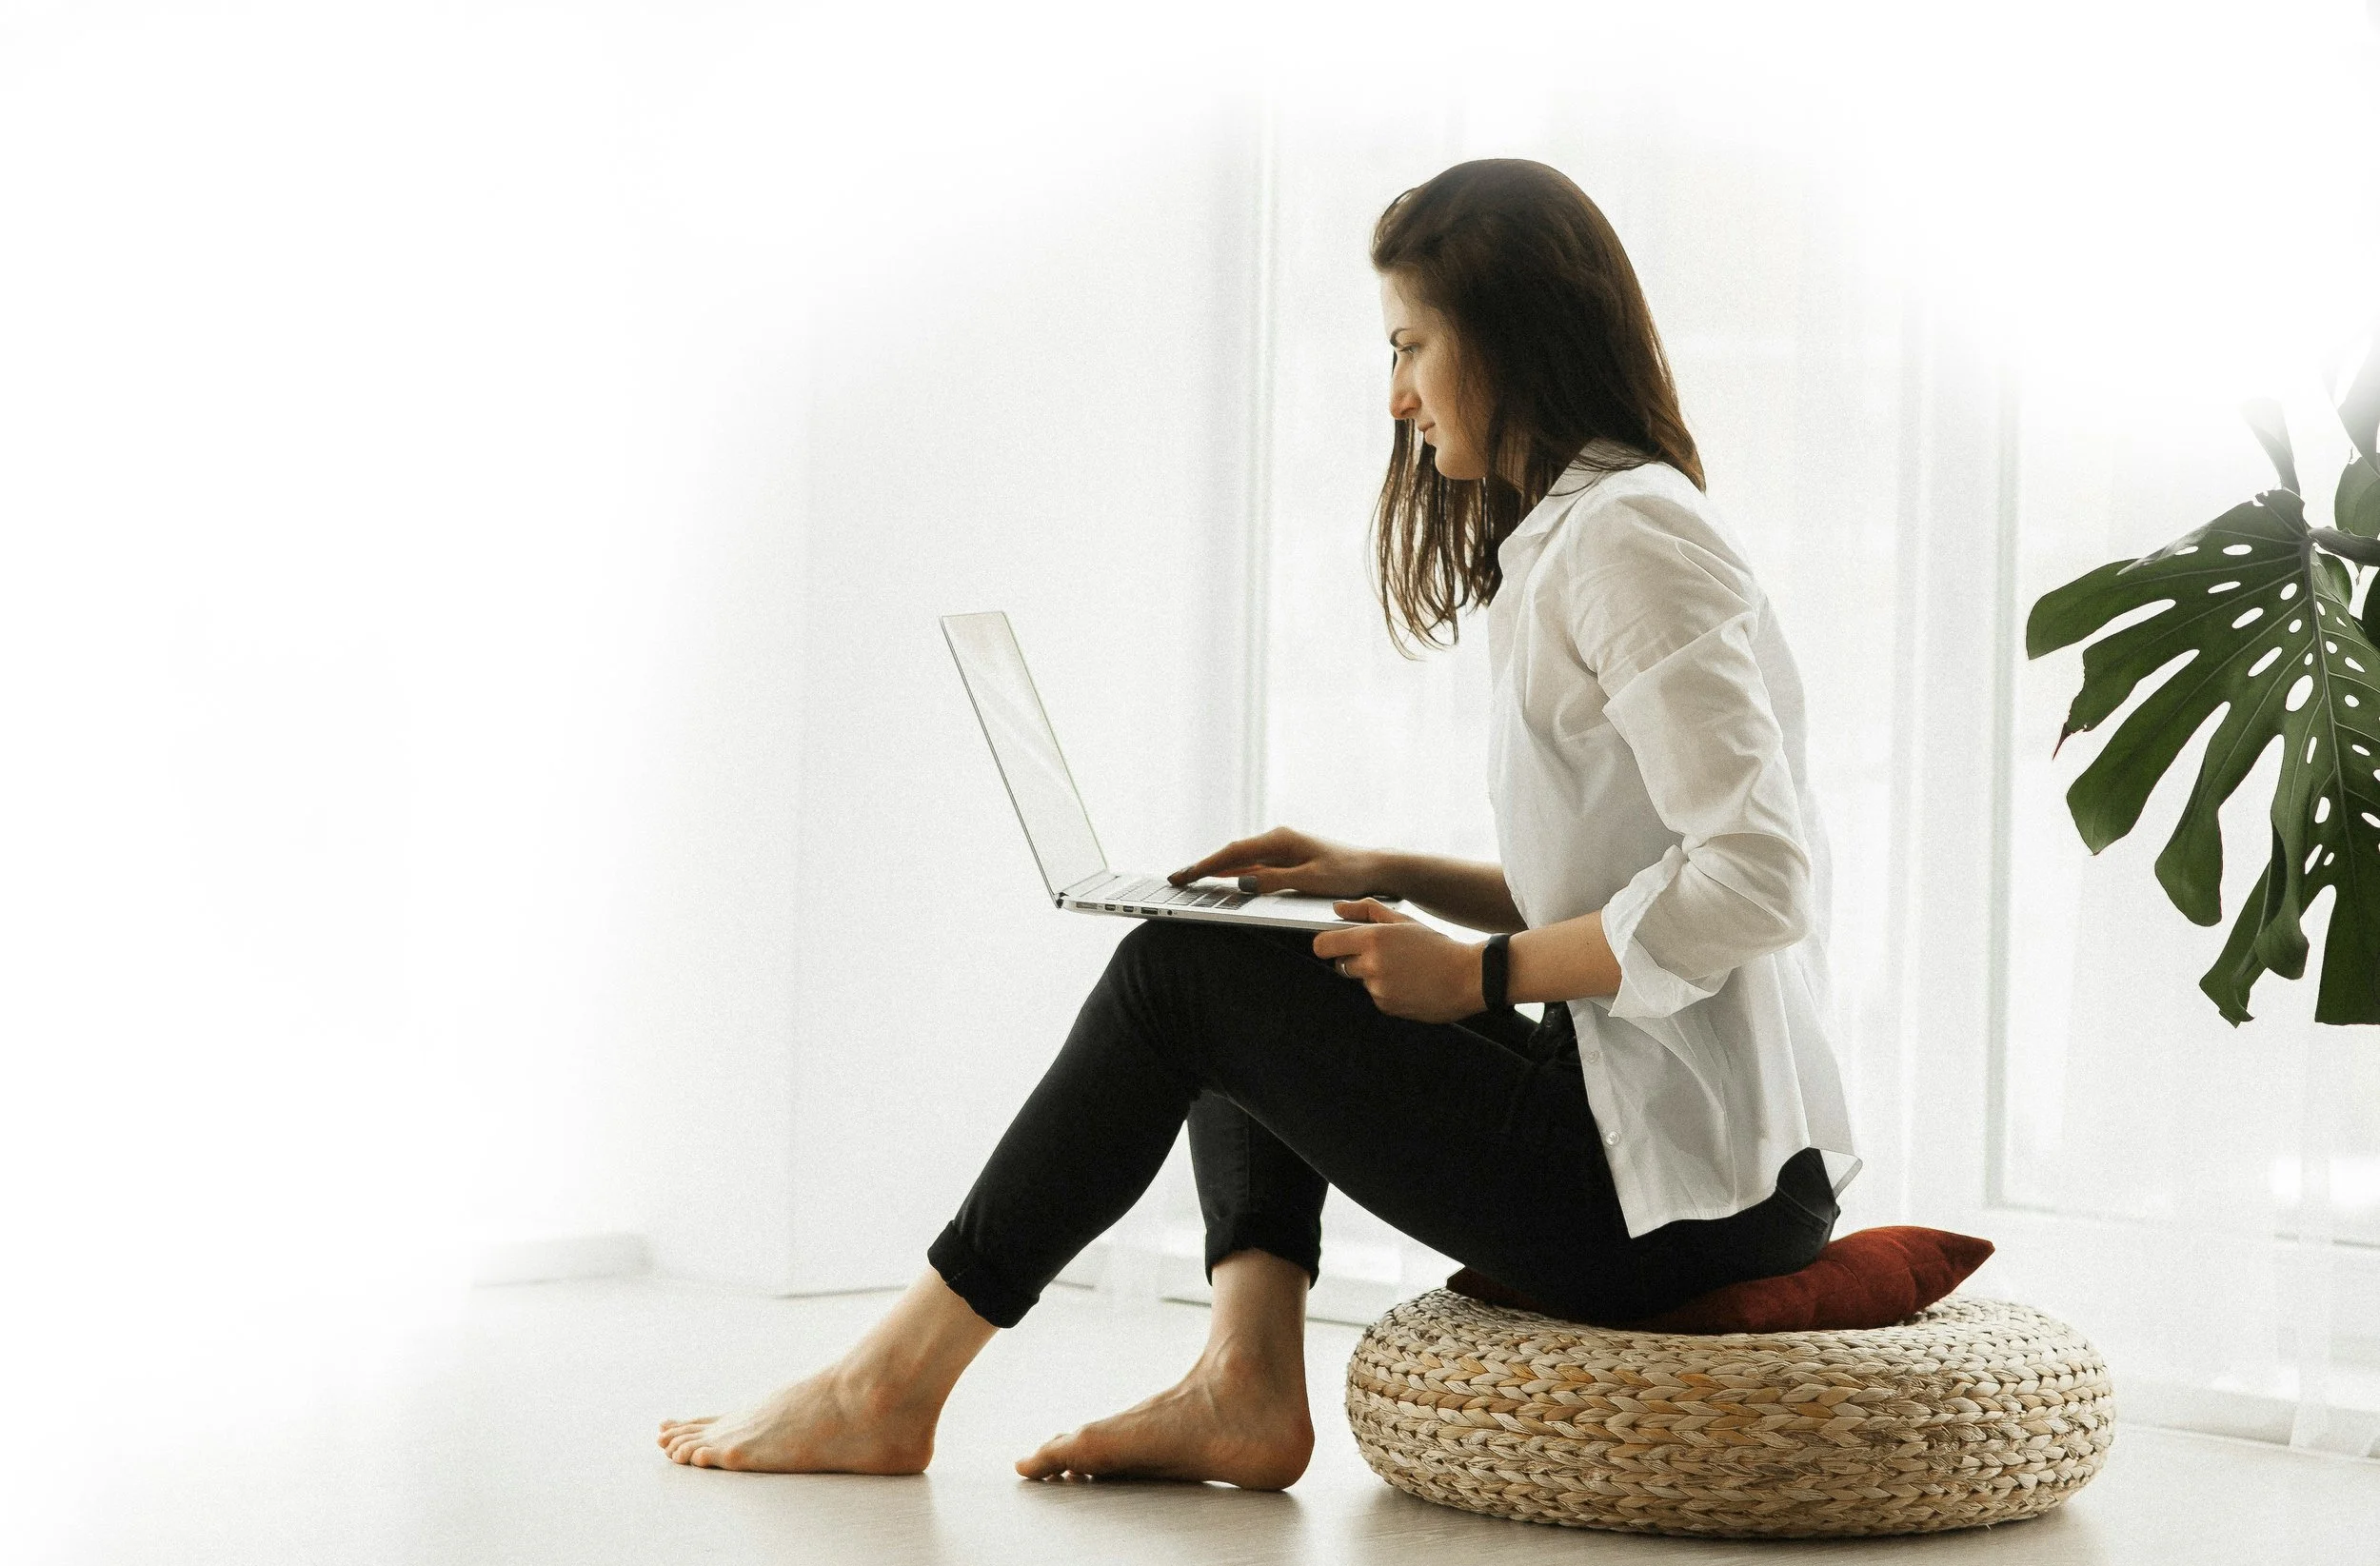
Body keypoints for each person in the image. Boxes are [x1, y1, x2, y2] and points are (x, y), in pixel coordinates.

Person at [657, 157, 1858, 1488]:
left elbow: (1755, 881)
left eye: (1411, 346)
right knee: (1270, 935)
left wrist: (1480, 976)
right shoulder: (1584, 533)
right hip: (1659, 1153)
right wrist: (1384, 873)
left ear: (1510, 335)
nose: (1396, 393)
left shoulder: (1630, 536)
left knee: (1181, 978)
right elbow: (1636, 880)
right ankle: (1242, 1381)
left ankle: (890, 1385)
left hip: (1682, 1201)